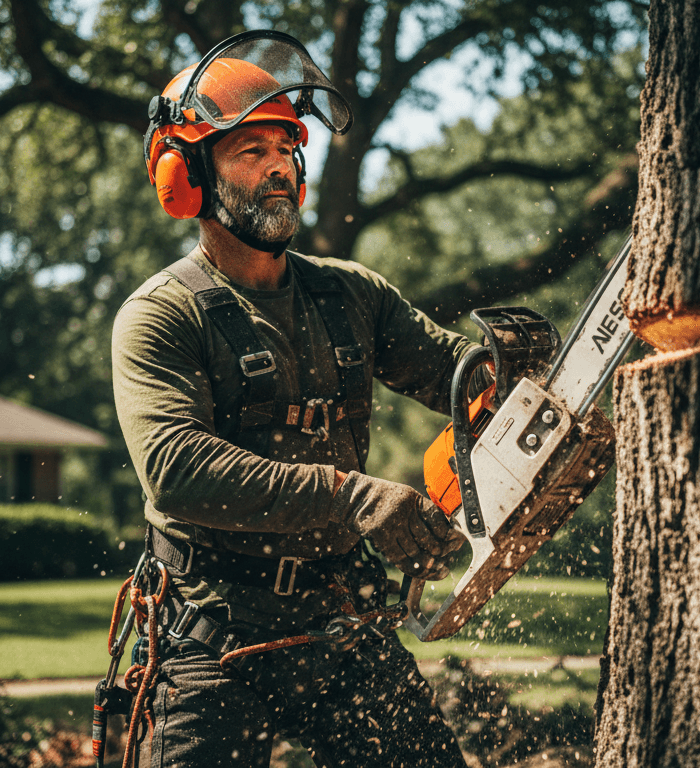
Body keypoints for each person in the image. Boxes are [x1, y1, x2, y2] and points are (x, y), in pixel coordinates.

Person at [111, 30, 472, 768]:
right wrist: (353, 497)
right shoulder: (162, 315)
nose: (279, 167)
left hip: (340, 616)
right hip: (212, 628)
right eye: (252, 151)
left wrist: (504, 371)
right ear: (187, 176)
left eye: (286, 149)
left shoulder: (351, 294)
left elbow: (453, 373)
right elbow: (177, 470)